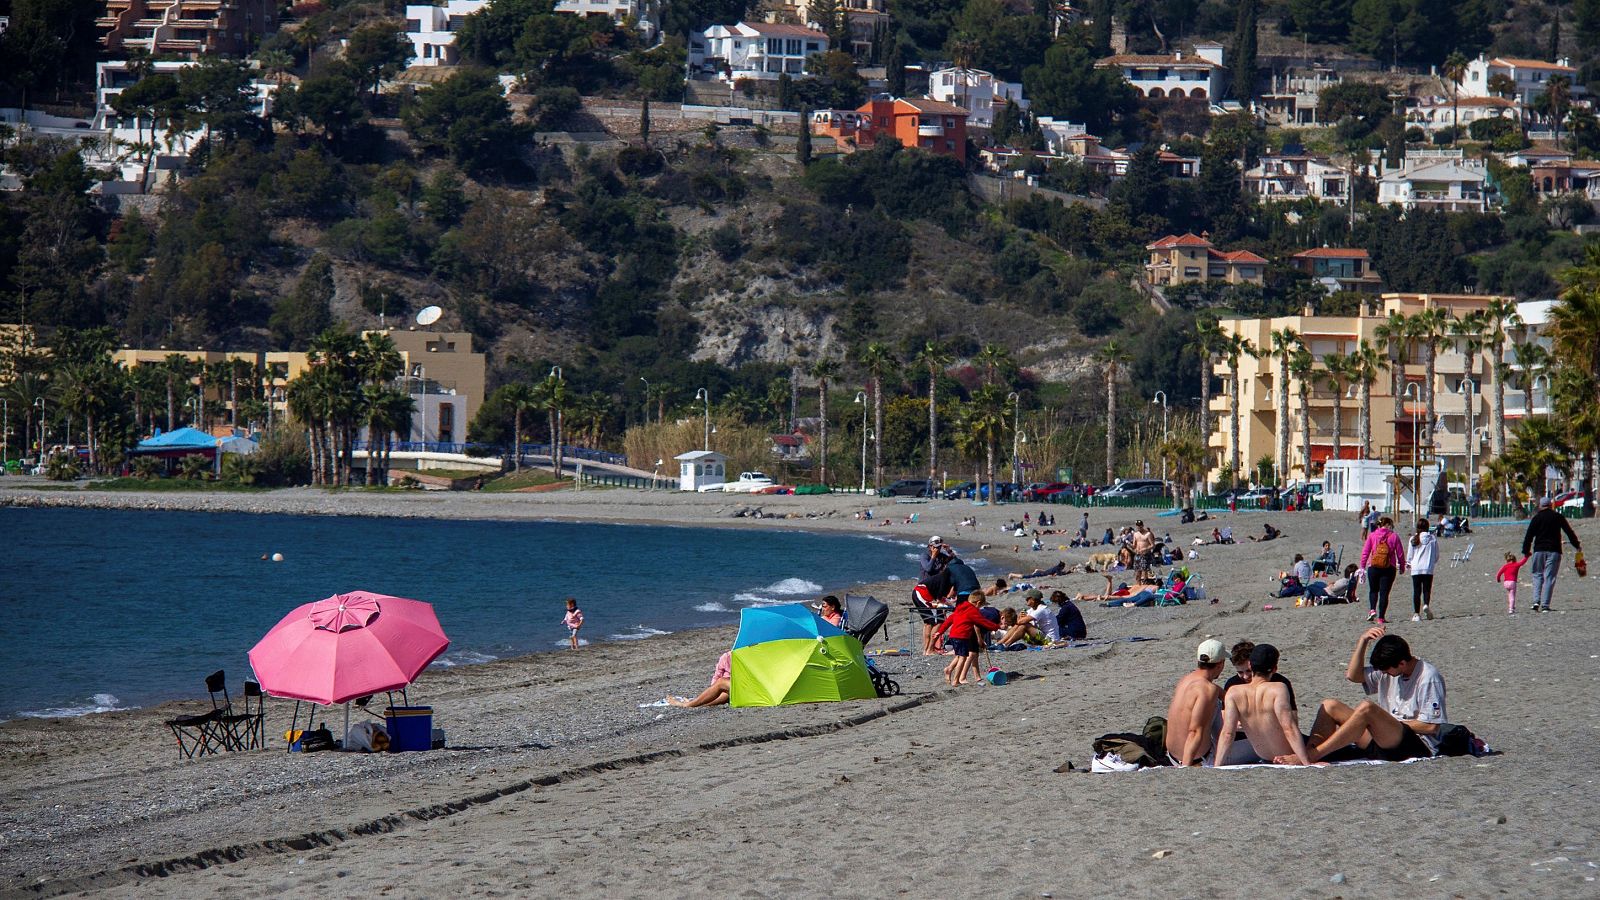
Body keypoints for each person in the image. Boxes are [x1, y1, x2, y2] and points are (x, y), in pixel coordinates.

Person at [1307, 628, 1445, 763]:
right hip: (1384, 738)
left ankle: (1315, 754)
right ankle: (1306, 754)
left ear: (1402, 663)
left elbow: (1431, 727)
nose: (1384, 673)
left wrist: (1387, 723)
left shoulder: (1428, 677)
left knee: (1367, 708)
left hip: (1416, 744)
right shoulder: (1391, 668)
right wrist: (1363, 641)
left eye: (1386, 670)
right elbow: (1353, 676)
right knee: (1330, 705)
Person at [1214, 643, 1319, 766]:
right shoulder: (1279, 688)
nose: (1245, 676)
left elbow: (1227, 733)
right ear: (1274, 668)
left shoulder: (1233, 691)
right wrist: (1306, 762)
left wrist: (1217, 766)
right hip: (1286, 752)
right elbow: (1289, 727)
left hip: (1264, 756)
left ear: (1251, 665)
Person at [1164, 639, 1227, 767]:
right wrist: (1186, 768)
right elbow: (1194, 731)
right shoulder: (1209, 690)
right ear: (1220, 664)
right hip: (1196, 760)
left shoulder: (1185, 680)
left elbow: (1221, 693)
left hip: (1171, 756)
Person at [1521, 496, 1583, 612]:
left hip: (1539, 550)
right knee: (1550, 577)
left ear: (1540, 506)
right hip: (1554, 551)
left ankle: (1536, 601)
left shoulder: (1536, 518)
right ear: (1550, 505)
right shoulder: (1558, 517)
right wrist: (1576, 545)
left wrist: (1526, 551)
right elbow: (1569, 532)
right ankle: (1545, 605)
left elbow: (1529, 536)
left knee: (1537, 575)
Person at [932, 593, 993, 686]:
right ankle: (956, 680)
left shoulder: (961, 609)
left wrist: (940, 632)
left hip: (954, 635)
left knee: (960, 655)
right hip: (962, 635)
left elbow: (949, 620)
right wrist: (980, 639)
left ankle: (950, 670)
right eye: (980, 606)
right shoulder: (972, 611)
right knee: (963, 657)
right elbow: (976, 626)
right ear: (977, 603)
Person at [1361, 515, 1405, 624]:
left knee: (1373, 590)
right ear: (1388, 525)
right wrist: (1402, 566)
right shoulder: (1394, 536)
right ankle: (1381, 617)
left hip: (1373, 566)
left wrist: (1362, 566)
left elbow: (1365, 552)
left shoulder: (1372, 535)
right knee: (1384, 593)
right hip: (1389, 567)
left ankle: (1372, 610)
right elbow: (1400, 553)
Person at [1407, 517, 1439, 621]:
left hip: (1416, 568)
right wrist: (1431, 562)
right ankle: (1426, 604)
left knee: (1416, 591)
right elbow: (1436, 555)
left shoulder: (1413, 539)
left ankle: (1416, 614)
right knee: (1426, 589)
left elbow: (1409, 556)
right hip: (1428, 568)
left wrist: (1409, 563)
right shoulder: (1432, 539)